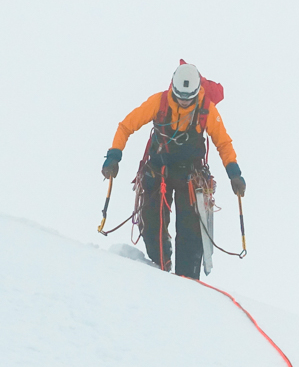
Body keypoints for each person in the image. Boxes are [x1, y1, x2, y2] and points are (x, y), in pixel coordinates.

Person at [101, 62, 245, 279]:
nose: (184, 101)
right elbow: (126, 126)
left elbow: (223, 143)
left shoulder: (206, 109)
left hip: (190, 176)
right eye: (180, 97)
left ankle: (186, 283)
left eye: (189, 98)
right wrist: (113, 156)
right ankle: (161, 268)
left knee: (190, 235)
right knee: (152, 226)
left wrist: (234, 173)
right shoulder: (158, 103)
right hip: (158, 171)